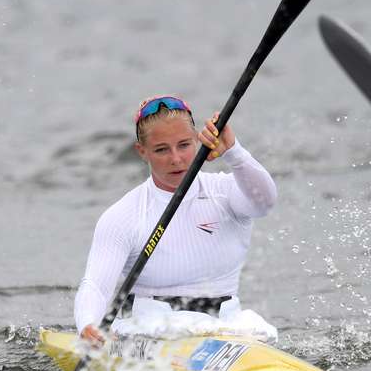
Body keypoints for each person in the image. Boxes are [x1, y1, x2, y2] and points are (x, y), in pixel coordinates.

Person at [74, 95, 277, 343]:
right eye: (161, 150)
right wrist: (88, 325)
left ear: (197, 141)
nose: (176, 159)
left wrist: (233, 151)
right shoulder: (123, 215)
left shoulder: (225, 193)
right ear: (142, 152)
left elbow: (265, 202)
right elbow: (96, 285)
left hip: (228, 328)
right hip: (149, 333)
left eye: (184, 145)